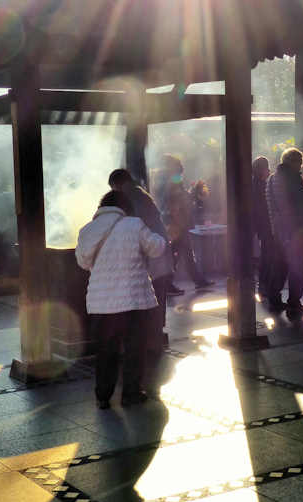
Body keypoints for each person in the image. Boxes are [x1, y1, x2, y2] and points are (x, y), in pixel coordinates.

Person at [76, 190, 166, 409]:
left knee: (106, 351)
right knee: (134, 348)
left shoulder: (87, 230)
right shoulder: (134, 224)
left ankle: (103, 396)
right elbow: (157, 248)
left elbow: (82, 262)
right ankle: (131, 393)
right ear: (124, 207)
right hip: (134, 301)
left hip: (101, 303)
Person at [108, 169, 172, 395]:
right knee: (155, 305)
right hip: (158, 259)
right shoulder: (140, 194)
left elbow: (139, 233)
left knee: (150, 306)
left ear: (118, 184)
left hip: (152, 260)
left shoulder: (131, 198)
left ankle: (151, 348)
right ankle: (153, 345)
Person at [264, 147, 303, 317]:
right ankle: (294, 303)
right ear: (293, 162)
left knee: (279, 265)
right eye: (299, 162)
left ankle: (274, 300)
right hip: (296, 230)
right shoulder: (293, 178)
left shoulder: (272, 179)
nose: (300, 166)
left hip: (278, 230)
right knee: (297, 266)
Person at [157, 155, 213, 291]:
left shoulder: (166, 180)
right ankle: (168, 283)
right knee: (176, 254)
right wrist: (193, 193)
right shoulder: (173, 180)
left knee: (185, 253)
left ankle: (196, 280)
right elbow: (178, 200)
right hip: (177, 223)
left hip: (175, 221)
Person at [252, 156, 273, 298]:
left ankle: (263, 284)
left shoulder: (256, 184)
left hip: (261, 225)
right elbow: (263, 208)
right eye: (266, 168)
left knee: (266, 254)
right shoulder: (261, 185)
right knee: (267, 255)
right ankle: (264, 285)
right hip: (265, 225)